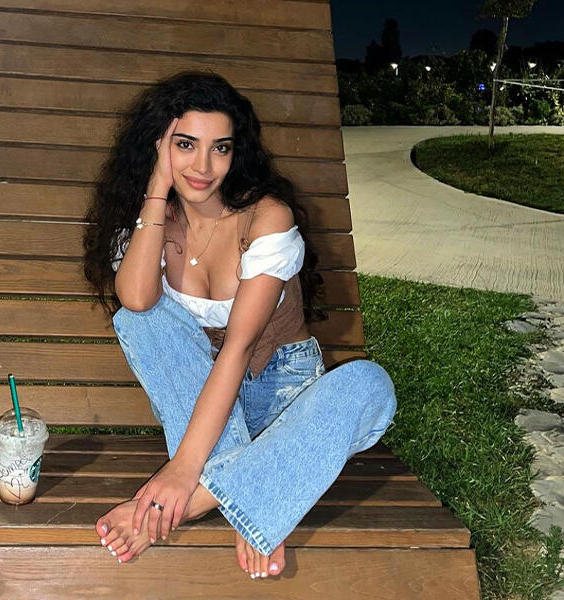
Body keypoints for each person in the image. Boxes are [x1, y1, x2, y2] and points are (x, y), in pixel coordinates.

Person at [82, 71, 397, 580]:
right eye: (185, 144)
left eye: (221, 148)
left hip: (282, 392)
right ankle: (262, 491)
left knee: (369, 385)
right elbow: (137, 300)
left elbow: (238, 348)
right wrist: (157, 189)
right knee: (140, 319)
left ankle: (197, 501)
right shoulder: (150, 222)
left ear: (236, 152)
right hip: (200, 397)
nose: (203, 167)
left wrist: (183, 473)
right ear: (158, 145)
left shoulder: (265, 217)